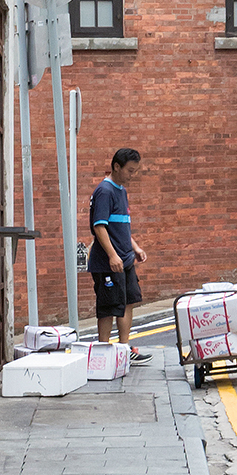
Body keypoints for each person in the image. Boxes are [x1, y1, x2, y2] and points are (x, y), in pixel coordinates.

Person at [88, 146, 148, 354]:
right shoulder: (105, 191)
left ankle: (124, 349)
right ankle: (103, 352)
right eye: (130, 171)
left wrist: (135, 247)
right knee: (108, 307)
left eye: (135, 171)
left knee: (128, 302)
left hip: (126, 261)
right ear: (116, 166)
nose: (133, 175)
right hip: (108, 263)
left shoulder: (121, 191)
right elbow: (99, 226)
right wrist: (113, 255)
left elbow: (121, 227)